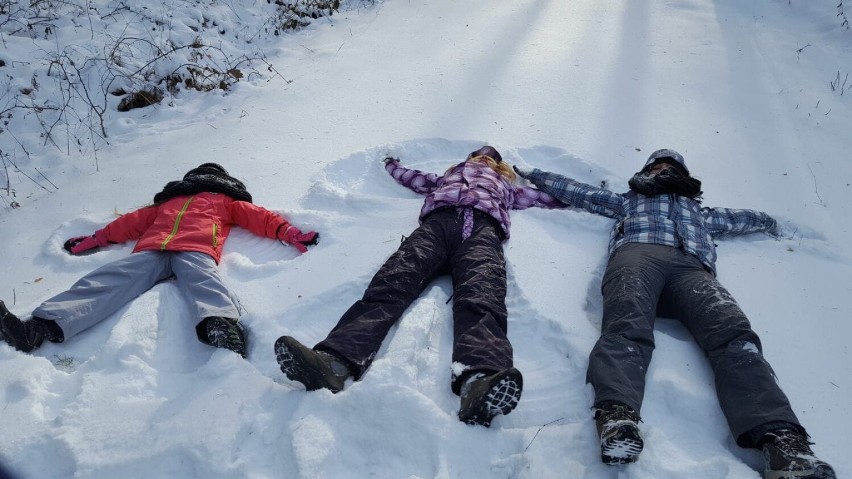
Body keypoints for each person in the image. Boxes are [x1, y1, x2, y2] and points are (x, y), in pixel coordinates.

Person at [513, 149, 835, 478]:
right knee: (626, 324)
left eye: (670, 166)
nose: (662, 169)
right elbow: (580, 191)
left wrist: (770, 221)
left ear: (683, 176)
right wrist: (533, 172)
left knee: (735, 336)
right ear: (646, 172)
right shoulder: (629, 199)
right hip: (639, 255)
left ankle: (783, 444)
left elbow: (740, 219)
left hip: (693, 272)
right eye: (655, 166)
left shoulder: (701, 213)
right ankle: (617, 417)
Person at [273, 146, 564, 427]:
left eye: (488, 160)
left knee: (482, 296)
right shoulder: (446, 178)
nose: (482, 161)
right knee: (391, 284)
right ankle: (334, 361)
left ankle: (480, 382)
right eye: (478, 156)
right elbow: (414, 179)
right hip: (436, 226)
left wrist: (569, 197)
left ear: (498, 167)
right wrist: (392, 166)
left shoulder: (506, 187)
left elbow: (541, 198)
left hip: (482, 231)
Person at [0, 163, 318, 359]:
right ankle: (37, 329)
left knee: (205, 282)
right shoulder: (168, 203)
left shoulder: (224, 201)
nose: (203, 180)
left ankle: (222, 326)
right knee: (106, 279)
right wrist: (94, 240)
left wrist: (290, 233)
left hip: (196, 250)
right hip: (151, 251)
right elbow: (129, 223)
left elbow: (258, 217)